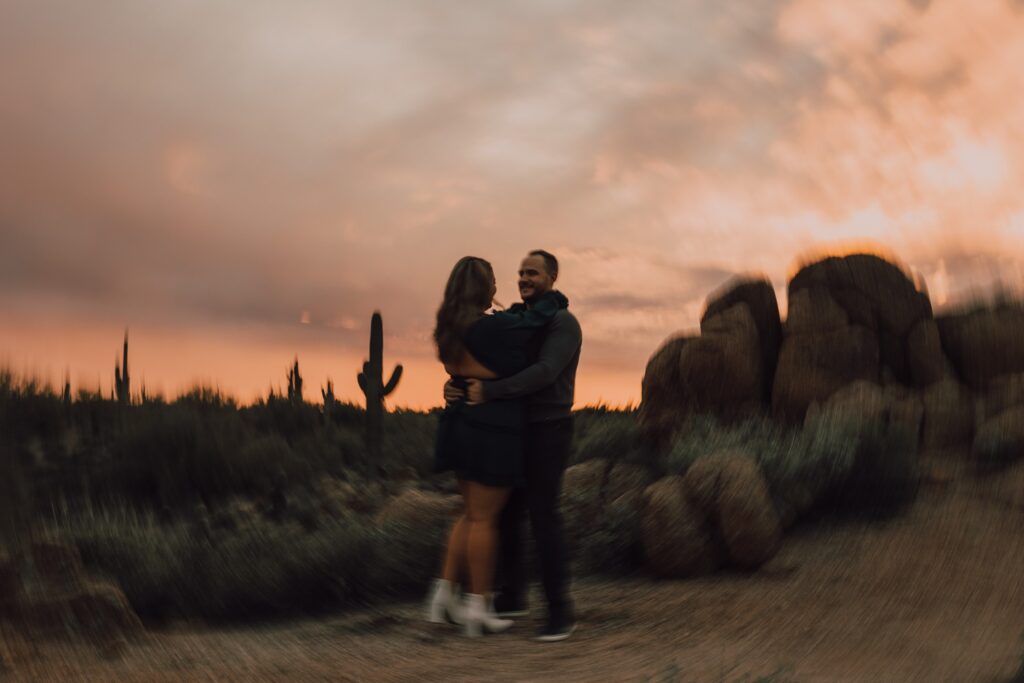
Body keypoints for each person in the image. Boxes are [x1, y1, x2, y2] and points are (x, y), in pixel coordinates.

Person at [425, 255, 569, 638]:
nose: (498, 287)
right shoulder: (490, 327)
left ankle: (443, 596)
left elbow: (462, 371)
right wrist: (555, 301)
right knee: (485, 520)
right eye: (492, 281)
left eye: (528, 272)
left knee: (470, 514)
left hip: (461, 423)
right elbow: (528, 337)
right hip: (491, 428)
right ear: (477, 287)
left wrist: (460, 383)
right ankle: (477, 606)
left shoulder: (449, 328)